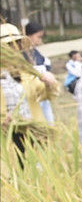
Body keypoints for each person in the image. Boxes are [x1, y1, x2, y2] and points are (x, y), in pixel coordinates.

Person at [1, 20, 56, 162]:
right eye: (8, 45)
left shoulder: (27, 71)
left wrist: (49, 84)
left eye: (16, 44)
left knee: (36, 170)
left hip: (31, 131)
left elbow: (43, 95)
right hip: (7, 136)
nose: (13, 48)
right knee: (14, 171)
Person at [21, 21, 56, 123]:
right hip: (31, 96)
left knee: (49, 123)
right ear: (28, 36)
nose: (40, 40)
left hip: (43, 93)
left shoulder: (36, 53)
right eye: (38, 37)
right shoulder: (21, 55)